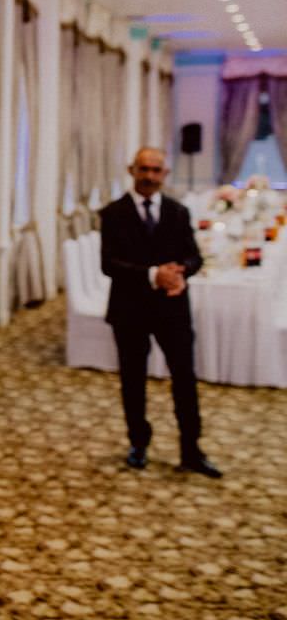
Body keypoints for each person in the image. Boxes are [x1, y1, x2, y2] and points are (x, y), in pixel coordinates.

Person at [100, 147, 221, 479]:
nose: (150, 176)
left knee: (184, 379)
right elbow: (109, 264)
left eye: (156, 170)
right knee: (133, 380)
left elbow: (195, 257)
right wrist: (154, 274)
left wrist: (181, 272)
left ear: (165, 174)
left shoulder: (178, 212)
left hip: (172, 309)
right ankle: (138, 443)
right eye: (144, 169)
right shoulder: (113, 213)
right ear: (132, 170)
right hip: (129, 310)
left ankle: (191, 449)